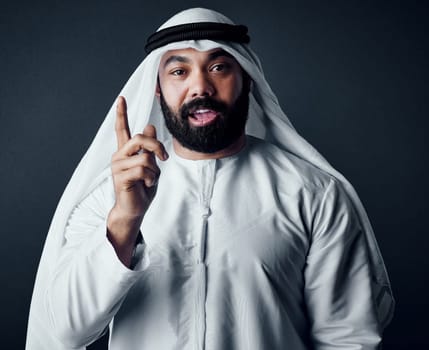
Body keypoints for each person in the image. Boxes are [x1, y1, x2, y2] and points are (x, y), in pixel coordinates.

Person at [26, 8, 394, 350]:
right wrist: (124, 221)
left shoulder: (313, 194)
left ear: (246, 80)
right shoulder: (109, 195)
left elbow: (347, 339)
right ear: (158, 89)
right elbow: (66, 332)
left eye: (218, 67)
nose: (200, 87)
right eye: (179, 71)